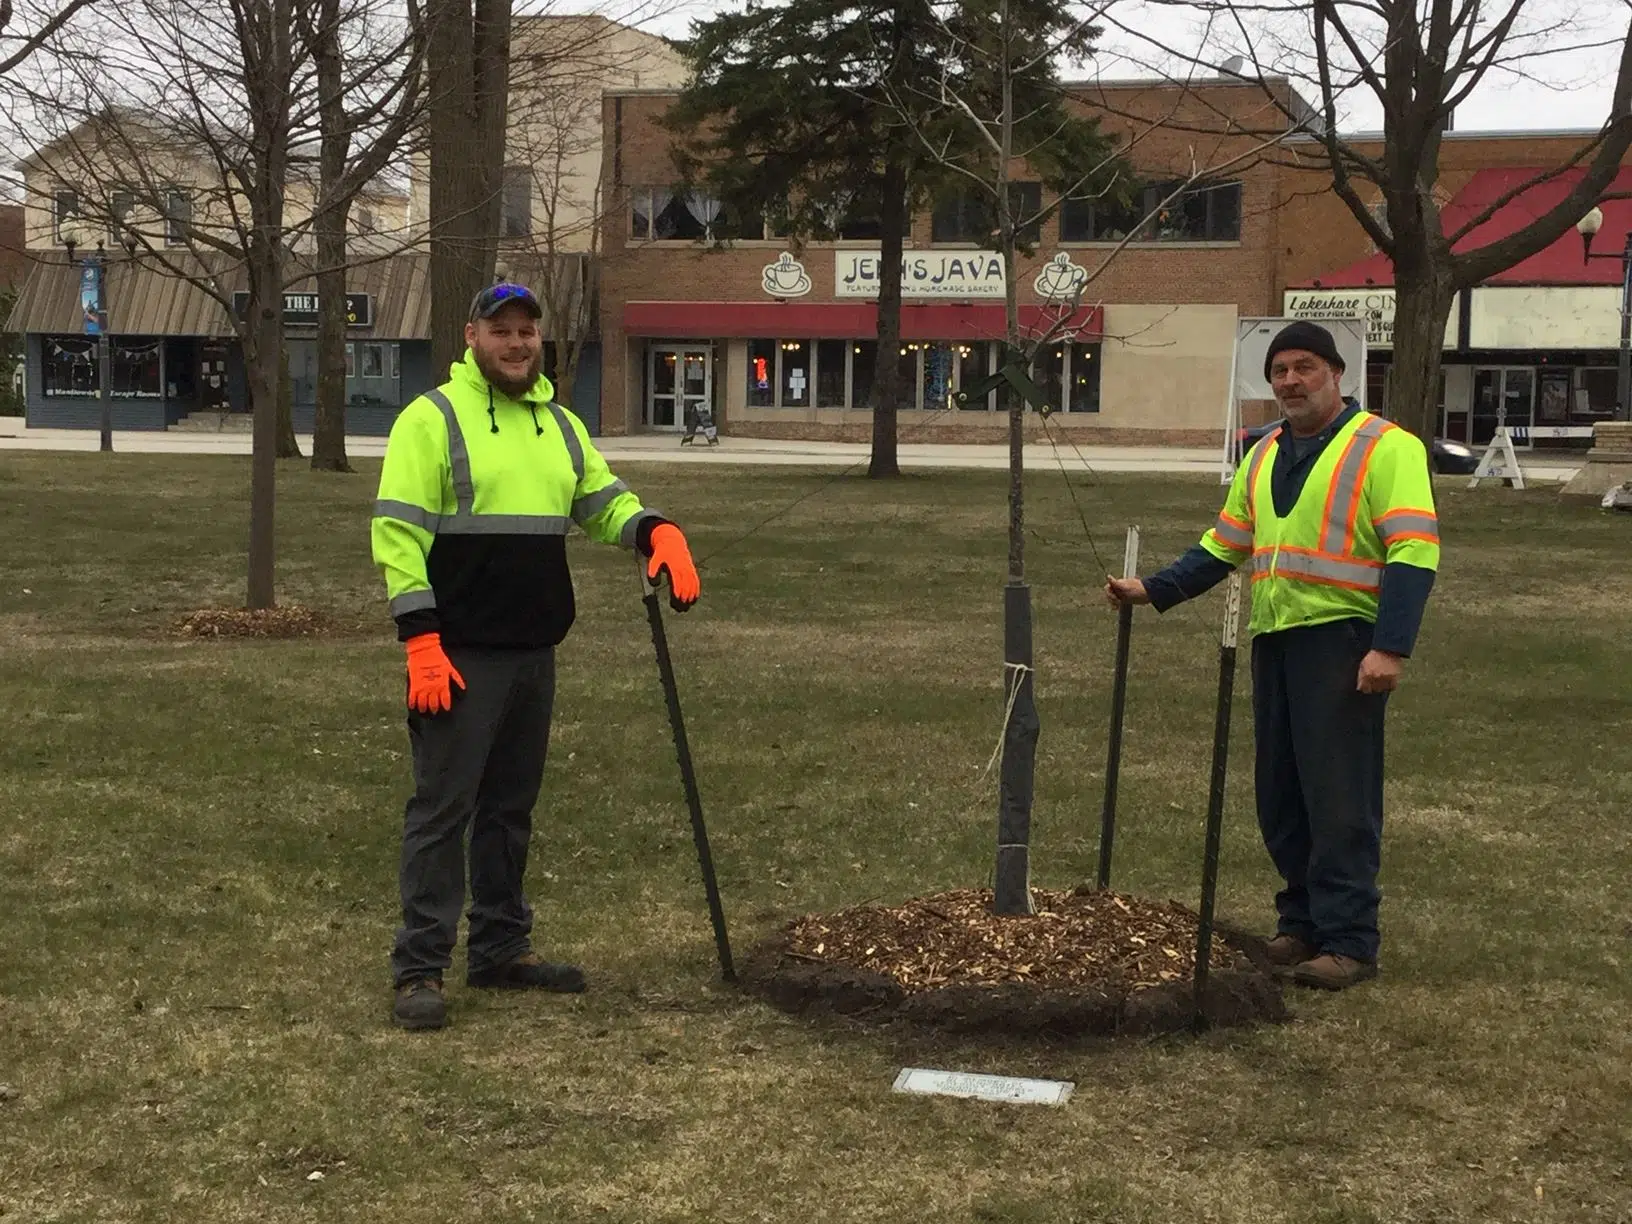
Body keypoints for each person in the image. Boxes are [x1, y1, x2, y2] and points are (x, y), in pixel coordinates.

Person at [371, 281, 701, 1030]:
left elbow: (599, 501)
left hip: (533, 652)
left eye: (527, 331)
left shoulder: (559, 423)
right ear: (471, 336)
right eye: (501, 331)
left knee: (508, 810)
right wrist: (419, 639)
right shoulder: (432, 420)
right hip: (456, 654)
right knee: (441, 811)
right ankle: (420, 966)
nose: (517, 343)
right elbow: (397, 534)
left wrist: (654, 531)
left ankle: (499, 948)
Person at [1105, 321, 1439, 991]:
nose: (1290, 380)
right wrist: (1154, 589)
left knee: (1338, 794)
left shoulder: (1385, 447)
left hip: (1343, 644)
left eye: (1304, 367)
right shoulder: (1261, 453)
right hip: (1278, 638)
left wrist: (1390, 648)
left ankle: (1350, 940)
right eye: (1279, 369)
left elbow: (1414, 550)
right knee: (1281, 792)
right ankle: (1301, 927)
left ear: (1336, 374)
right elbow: (1225, 544)